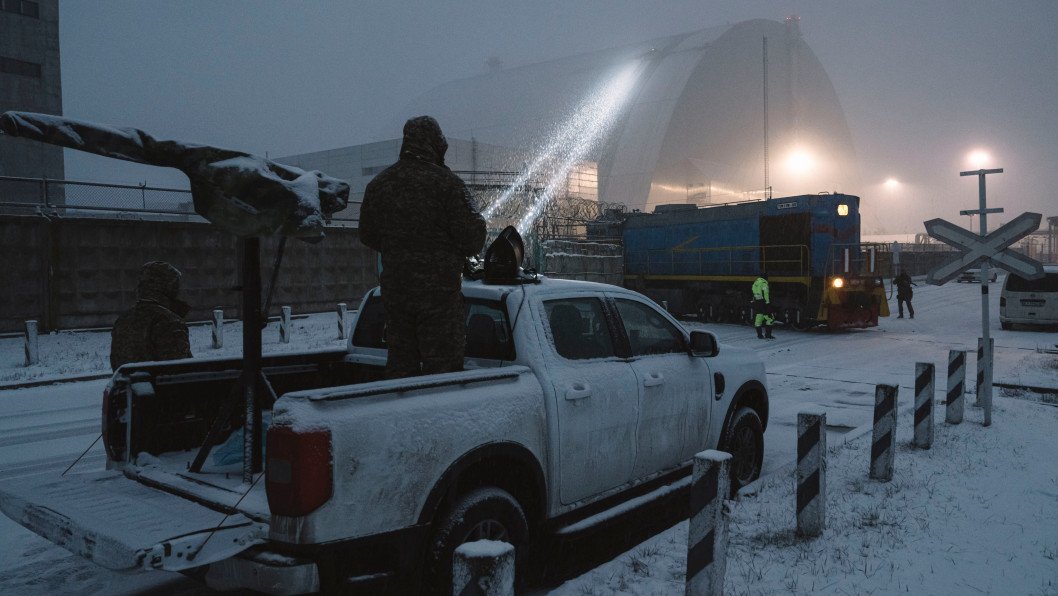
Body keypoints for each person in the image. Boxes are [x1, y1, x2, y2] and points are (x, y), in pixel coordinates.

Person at [359, 116, 487, 379]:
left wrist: (399, 248)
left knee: (401, 366)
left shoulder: (379, 185)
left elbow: (367, 235)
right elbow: (473, 239)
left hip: (396, 297)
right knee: (443, 373)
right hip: (439, 298)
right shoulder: (448, 185)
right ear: (436, 145)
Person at [110, 261, 192, 370]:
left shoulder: (123, 320)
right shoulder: (169, 322)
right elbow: (181, 370)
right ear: (169, 288)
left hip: (127, 381)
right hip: (157, 381)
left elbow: (117, 365)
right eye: (176, 286)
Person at [752, 273, 775, 339]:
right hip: (763, 303)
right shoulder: (764, 283)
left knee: (758, 319)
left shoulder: (756, 282)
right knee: (770, 318)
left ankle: (760, 335)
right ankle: (768, 335)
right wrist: (767, 303)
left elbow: (753, 292)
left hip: (757, 302)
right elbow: (766, 293)